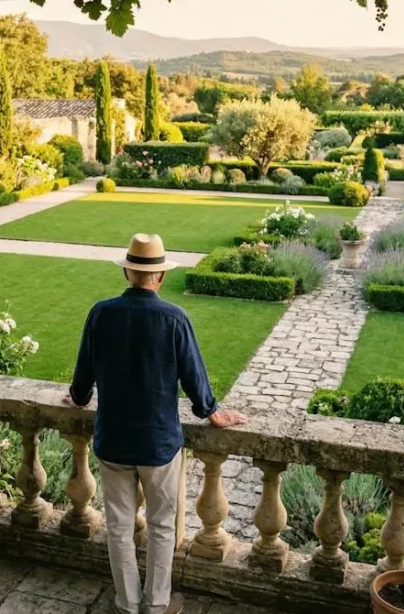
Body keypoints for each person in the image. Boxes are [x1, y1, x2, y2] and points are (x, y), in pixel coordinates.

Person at [67, 233, 248, 614]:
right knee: (162, 526)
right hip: (159, 444)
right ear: (160, 277)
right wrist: (212, 412)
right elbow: (194, 378)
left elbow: (83, 375)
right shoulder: (174, 318)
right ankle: (157, 603)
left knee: (118, 526)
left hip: (113, 440)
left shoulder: (101, 313)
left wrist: (79, 399)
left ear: (127, 272)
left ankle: (127, 603)